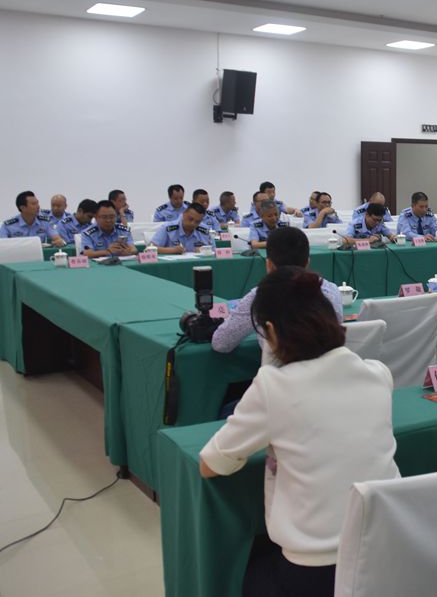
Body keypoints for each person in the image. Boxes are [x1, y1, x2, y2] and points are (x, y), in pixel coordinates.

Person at [199, 266, 399, 597]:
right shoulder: (378, 373)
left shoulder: (273, 386)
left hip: (314, 567)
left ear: (271, 331)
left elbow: (212, 464)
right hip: (384, 552)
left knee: (239, 571)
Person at [212, 227, 343, 364]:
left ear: (269, 265)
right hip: (327, 372)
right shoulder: (331, 290)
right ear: (307, 262)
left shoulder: (260, 295)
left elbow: (221, 343)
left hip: (280, 374)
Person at [147, 204, 213, 254]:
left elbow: (214, 251)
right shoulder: (167, 228)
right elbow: (149, 249)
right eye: (190, 219)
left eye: (197, 221)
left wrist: (204, 250)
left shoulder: (204, 230)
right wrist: (172, 250)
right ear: (183, 214)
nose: (192, 223)